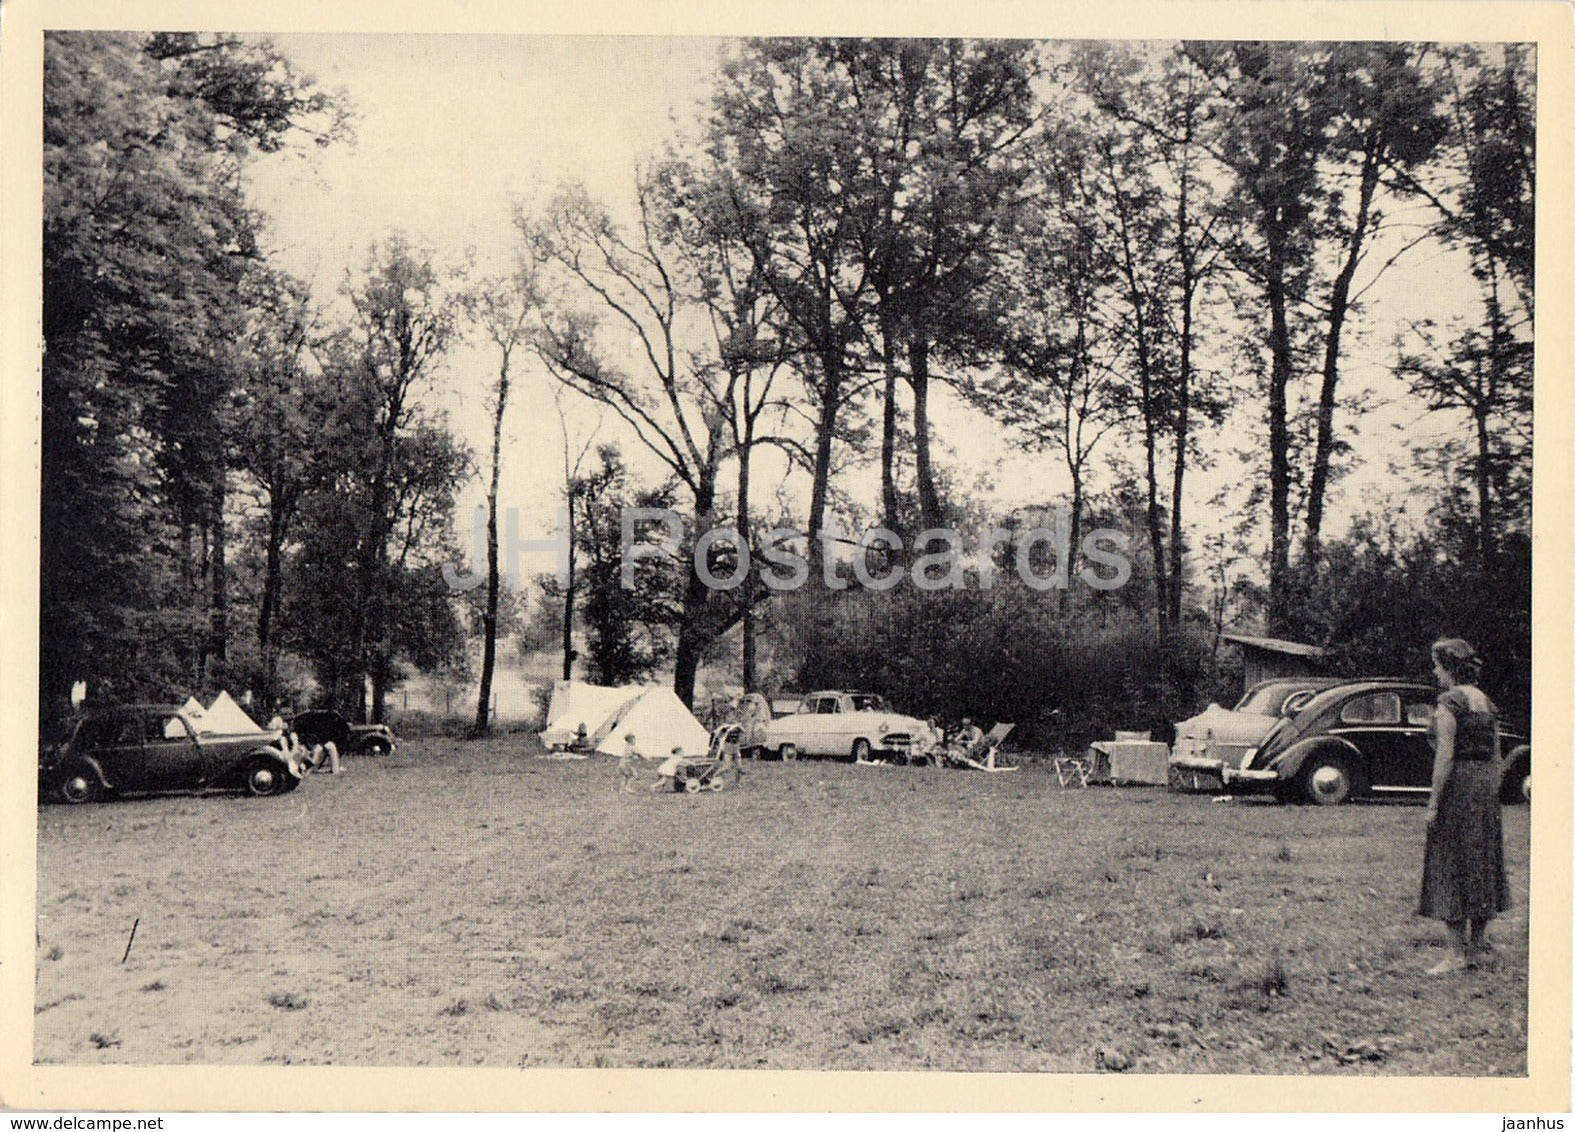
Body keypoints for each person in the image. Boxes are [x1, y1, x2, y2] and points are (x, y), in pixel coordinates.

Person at [1418, 638, 1510, 975]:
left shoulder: (1448, 703)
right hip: (1484, 787)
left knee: (1450, 861)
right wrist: (1489, 789)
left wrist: (1434, 802)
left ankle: (1455, 954)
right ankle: (1476, 947)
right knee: (1482, 859)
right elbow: (1498, 755)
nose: (1434, 672)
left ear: (1448, 669)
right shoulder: (1486, 702)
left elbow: (1445, 756)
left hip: (1458, 787)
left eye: (1437, 666)